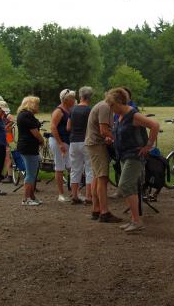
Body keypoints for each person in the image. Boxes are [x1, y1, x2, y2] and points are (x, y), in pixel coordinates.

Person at [107, 88, 160, 233]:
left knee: (125, 185)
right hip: (124, 156)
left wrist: (148, 146)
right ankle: (134, 219)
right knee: (128, 188)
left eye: (112, 105)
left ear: (119, 102)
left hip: (134, 156)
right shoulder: (120, 116)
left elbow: (155, 125)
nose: (111, 109)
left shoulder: (134, 115)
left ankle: (137, 221)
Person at [85, 90, 122, 223]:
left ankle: (96, 209)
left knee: (97, 176)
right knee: (102, 177)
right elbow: (104, 130)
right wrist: (118, 140)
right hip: (97, 145)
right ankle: (104, 212)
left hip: (93, 143)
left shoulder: (101, 105)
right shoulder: (106, 107)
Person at [68, 86, 94, 204]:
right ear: (90, 97)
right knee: (89, 169)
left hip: (73, 141)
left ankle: (74, 195)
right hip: (86, 141)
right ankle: (89, 197)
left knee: (75, 169)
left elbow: (68, 127)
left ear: (80, 96)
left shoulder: (72, 110)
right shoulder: (90, 110)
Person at [17, 96, 44, 205]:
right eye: (37, 104)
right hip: (29, 147)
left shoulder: (23, 115)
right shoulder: (27, 115)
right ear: (31, 104)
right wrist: (42, 140)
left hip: (26, 147)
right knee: (31, 173)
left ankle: (32, 196)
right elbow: (35, 132)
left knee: (32, 172)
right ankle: (26, 198)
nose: (38, 106)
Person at [49, 89, 76, 202]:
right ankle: (61, 194)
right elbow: (53, 127)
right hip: (58, 141)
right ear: (66, 100)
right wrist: (60, 143)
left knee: (71, 166)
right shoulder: (59, 111)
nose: (74, 100)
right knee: (59, 166)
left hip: (66, 141)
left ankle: (75, 192)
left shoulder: (69, 110)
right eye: (72, 98)